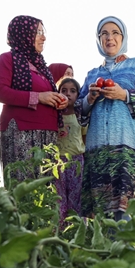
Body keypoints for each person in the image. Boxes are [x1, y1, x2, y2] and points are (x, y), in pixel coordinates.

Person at [77, 16, 135, 220]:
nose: (109, 38)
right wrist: (90, 98)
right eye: (104, 33)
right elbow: (79, 111)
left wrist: (125, 95)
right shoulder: (92, 74)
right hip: (99, 154)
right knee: (101, 216)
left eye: (115, 33)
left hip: (129, 152)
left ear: (123, 38)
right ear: (98, 39)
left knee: (129, 212)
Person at [0, 16, 67, 184]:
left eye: (43, 32)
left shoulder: (41, 66)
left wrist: (58, 100)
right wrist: (38, 97)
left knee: (46, 195)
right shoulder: (7, 59)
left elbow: (46, 96)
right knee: (23, 190)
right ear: (24, 34)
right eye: (38, 32)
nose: (43, 37)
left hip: (48, 135)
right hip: (21, 132)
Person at [51, 65, 86, 224]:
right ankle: (59, 233)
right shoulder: (54, 115)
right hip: (57, 163)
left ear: (78, 95)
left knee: (76, 198)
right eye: (63, 90)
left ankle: (76, 232)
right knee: (59, 200)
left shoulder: (80, 115)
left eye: (72, 91)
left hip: (76, 162)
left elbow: (84, 138)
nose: (67, 94)